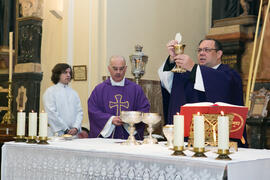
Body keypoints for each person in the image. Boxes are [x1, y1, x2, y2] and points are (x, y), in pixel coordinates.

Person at [158, 38, 247, 147]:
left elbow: (221, 86)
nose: (202, 53)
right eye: (199, 50)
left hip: (220, 143)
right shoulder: (190, 73)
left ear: (219, 54)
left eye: (207, 50)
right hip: (190, 141)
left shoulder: (229, 75)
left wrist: (193, 67)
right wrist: (172, 59)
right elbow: (168, 83)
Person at [88, 55, 150, 140]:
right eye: (115, 68)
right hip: (106, 140)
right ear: (109, 68)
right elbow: (93, 110)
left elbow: (144, 109)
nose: (118, 72)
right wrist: (110, 119)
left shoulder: (135, 89)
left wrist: (129, 119)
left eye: (121, 69)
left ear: (125, 69)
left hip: (129, 137)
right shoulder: (99, 89)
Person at [43, 63, 83, 136]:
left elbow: (79, 112)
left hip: (73, 135)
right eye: (65, 72)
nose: (68, 75)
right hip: (56, 133)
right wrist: (65, 129)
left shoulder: (74, 93)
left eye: (69, 73)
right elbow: (52, 113)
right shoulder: (50, 92)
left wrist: (76, 128)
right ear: (57, 74)